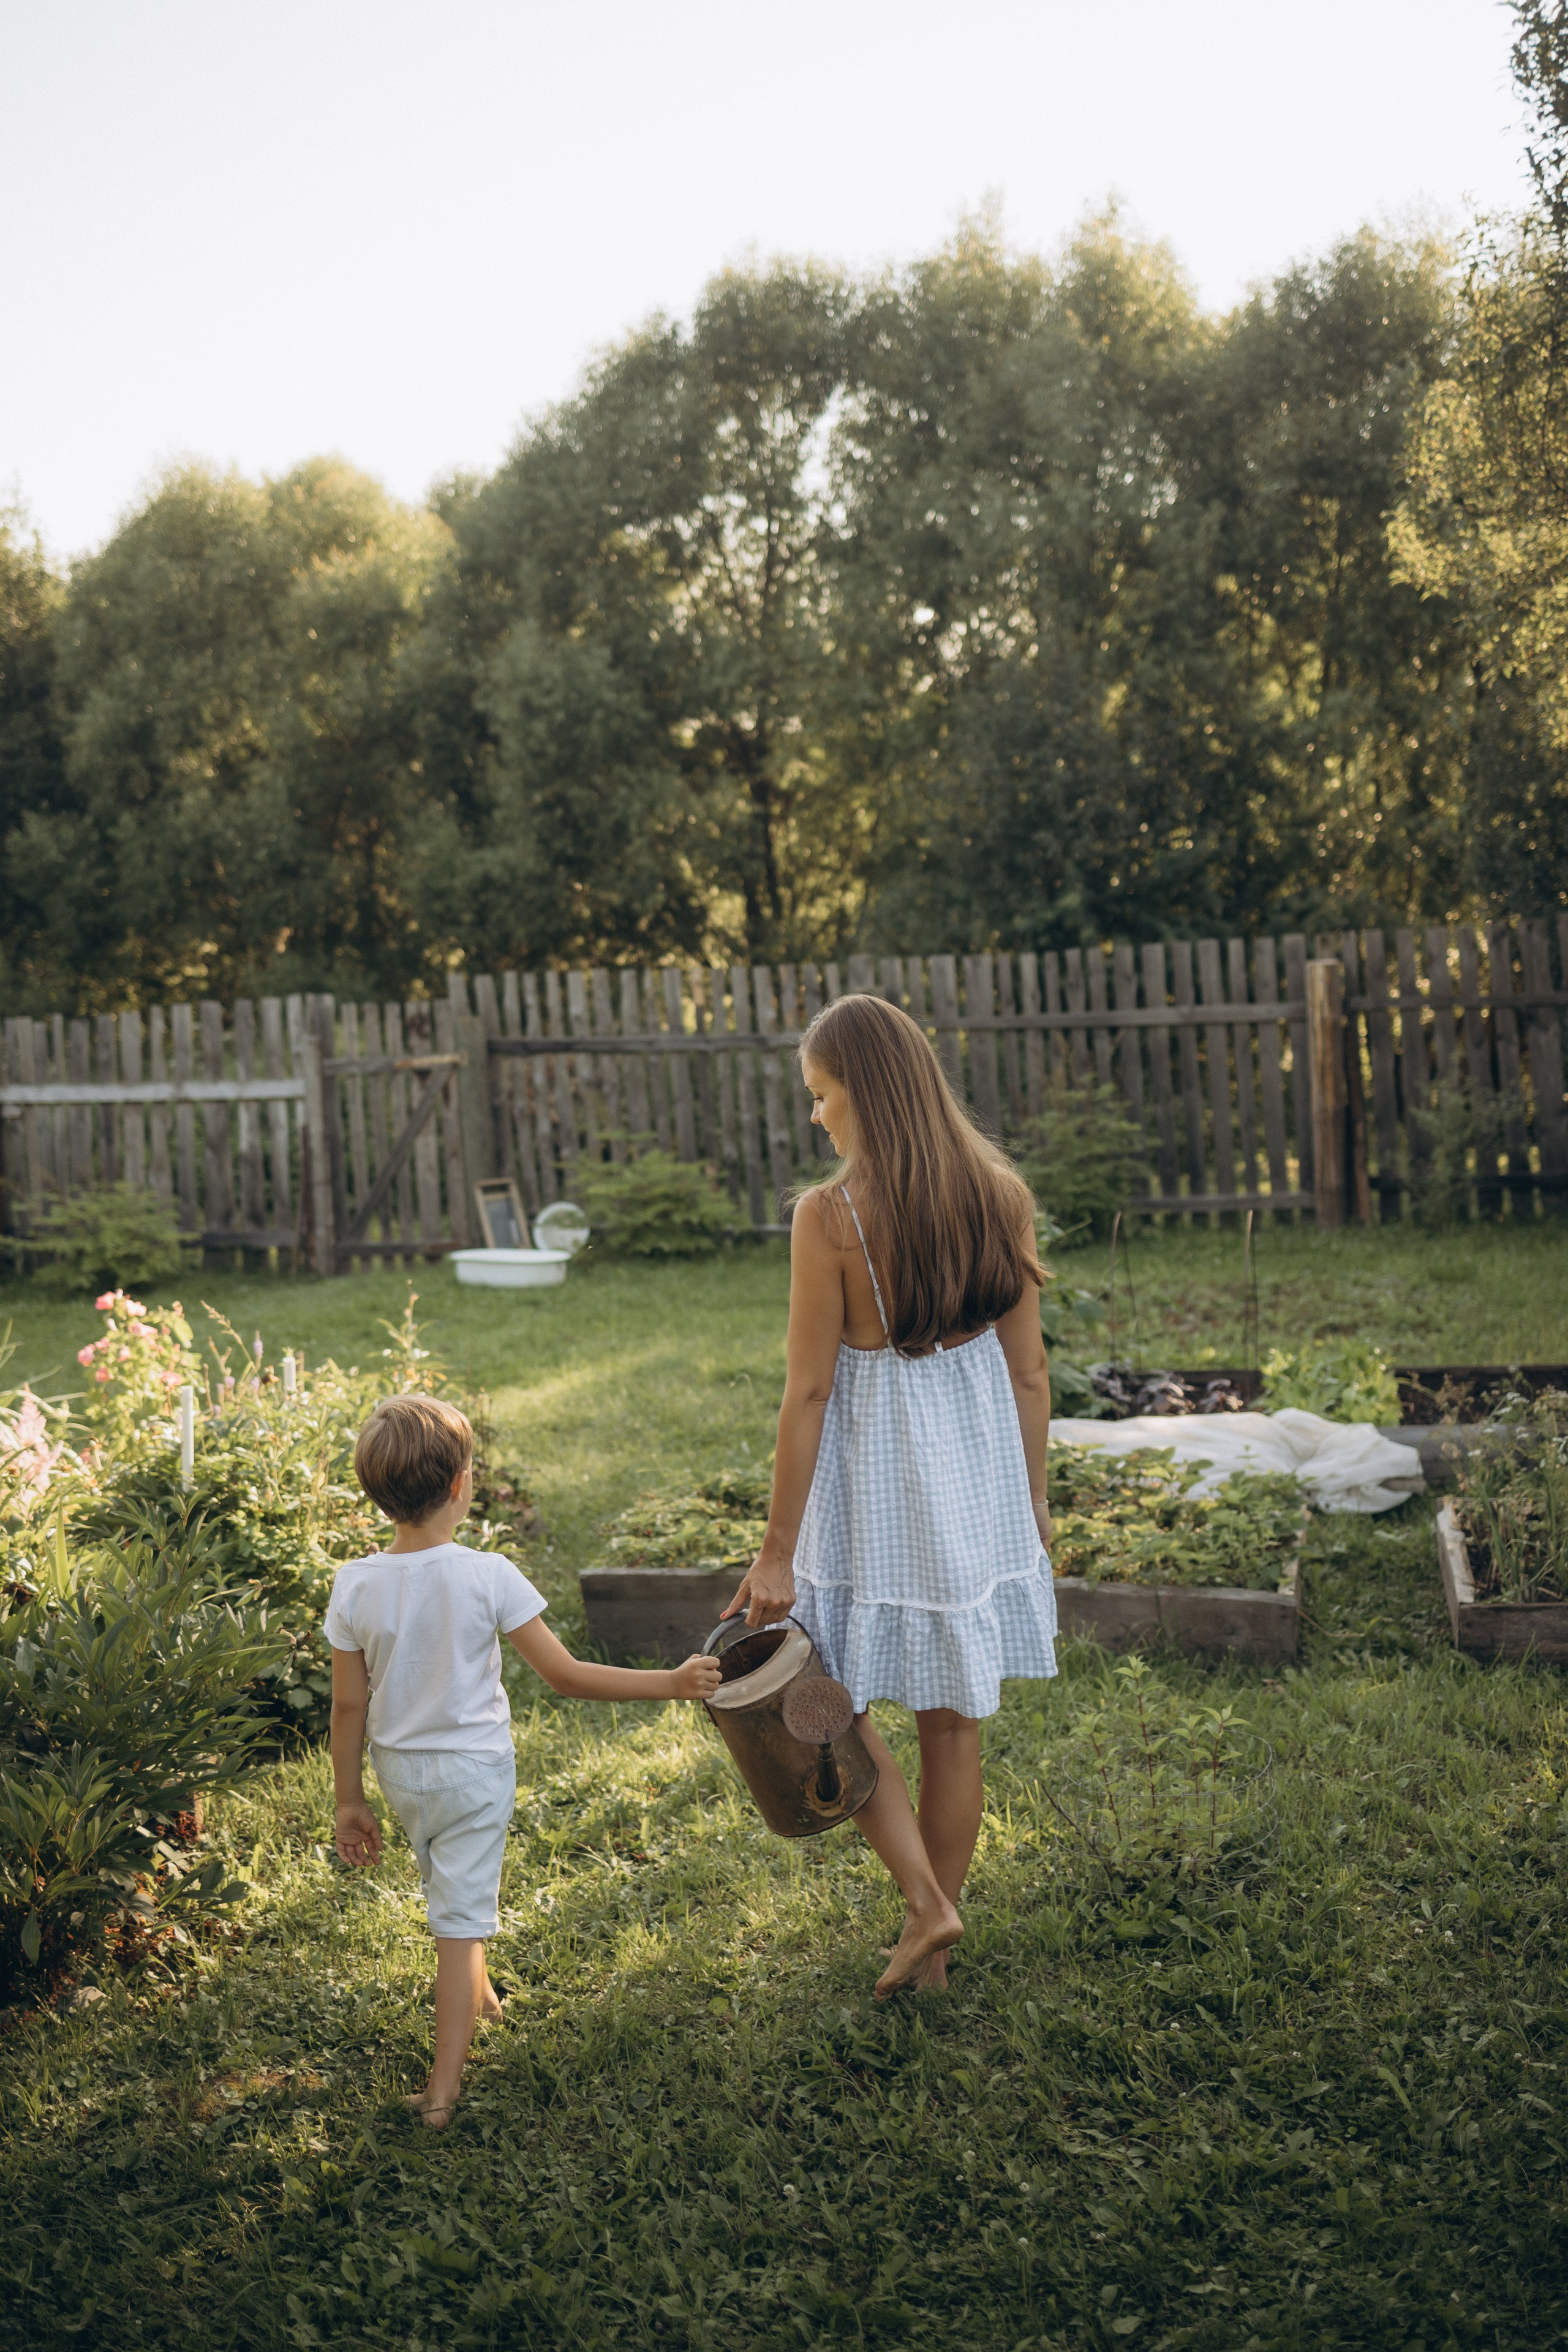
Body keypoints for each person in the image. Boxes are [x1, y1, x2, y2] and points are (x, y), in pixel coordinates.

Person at [724, 993, 1056, 1997]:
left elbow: (812, 1390)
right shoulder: (1000, 1192)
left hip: (876, 1494)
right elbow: (1032, 1375)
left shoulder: (831, 1218)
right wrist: (1033, 1509)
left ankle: (925, 1904)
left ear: (865, 1091)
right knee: (953, 1726)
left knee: (818, 1694)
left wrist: (778, 1547)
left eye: (821, 1096)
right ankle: (934, 1952)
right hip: (977, 1487)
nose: (817, 1116)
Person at [329, 1393, 720, 2127]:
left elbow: (349, 1707)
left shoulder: (354, 1583)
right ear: (459, 1486)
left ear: (377, 1492)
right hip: (473, 1775)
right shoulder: (488, 1574)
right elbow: (566, 1676)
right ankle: (443, 2091)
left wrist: (350, 1800)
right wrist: (669, 1682)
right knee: (458, 1924)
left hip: (400, 1775)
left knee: (447, 1887)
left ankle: (482, 1998)